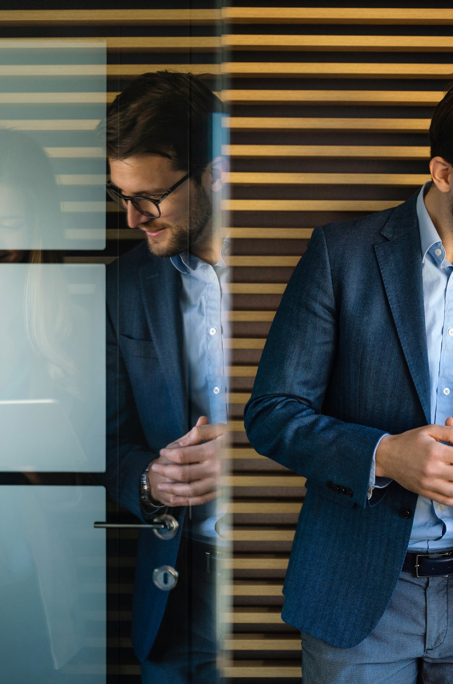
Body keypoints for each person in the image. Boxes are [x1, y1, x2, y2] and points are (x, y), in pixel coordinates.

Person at [244, 70, 453, 682]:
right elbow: (272, 412)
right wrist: (382, 456)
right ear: (443, 173)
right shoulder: (339, 255)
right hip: (354, 597)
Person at [101, 71, 229, 683]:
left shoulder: (312, 268)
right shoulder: (122, 288)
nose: (132, 218)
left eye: (149, 199)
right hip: (175, 594)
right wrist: (150, 479)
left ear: (217, 174)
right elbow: (106, 442)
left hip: (295, 579)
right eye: (120, 195)